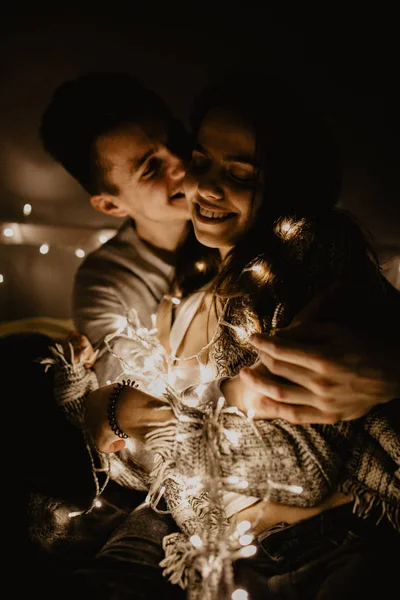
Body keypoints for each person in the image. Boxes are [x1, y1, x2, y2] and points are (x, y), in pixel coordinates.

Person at [47, 75, 399, 599]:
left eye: (238, 172)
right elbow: (149, 459)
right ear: (111, 203)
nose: (195, 180)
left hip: (317, 545)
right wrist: (91, 397)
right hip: (212, 544)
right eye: (203, 160)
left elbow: (305, 465)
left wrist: (148, 418)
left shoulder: (300, 265)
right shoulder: (177, 290)